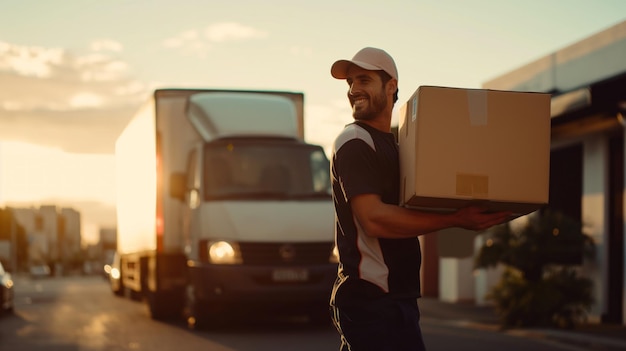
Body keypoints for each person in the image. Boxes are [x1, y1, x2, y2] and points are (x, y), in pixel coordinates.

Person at [328, 47, 511, 351]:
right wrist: (455, 219)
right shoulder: (355, 141)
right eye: (350, 83)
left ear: (391, 86)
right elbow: (373, 219)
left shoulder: (398, 146)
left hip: (395, 297)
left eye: (363, 80)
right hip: (370, 297)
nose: (353, 90)